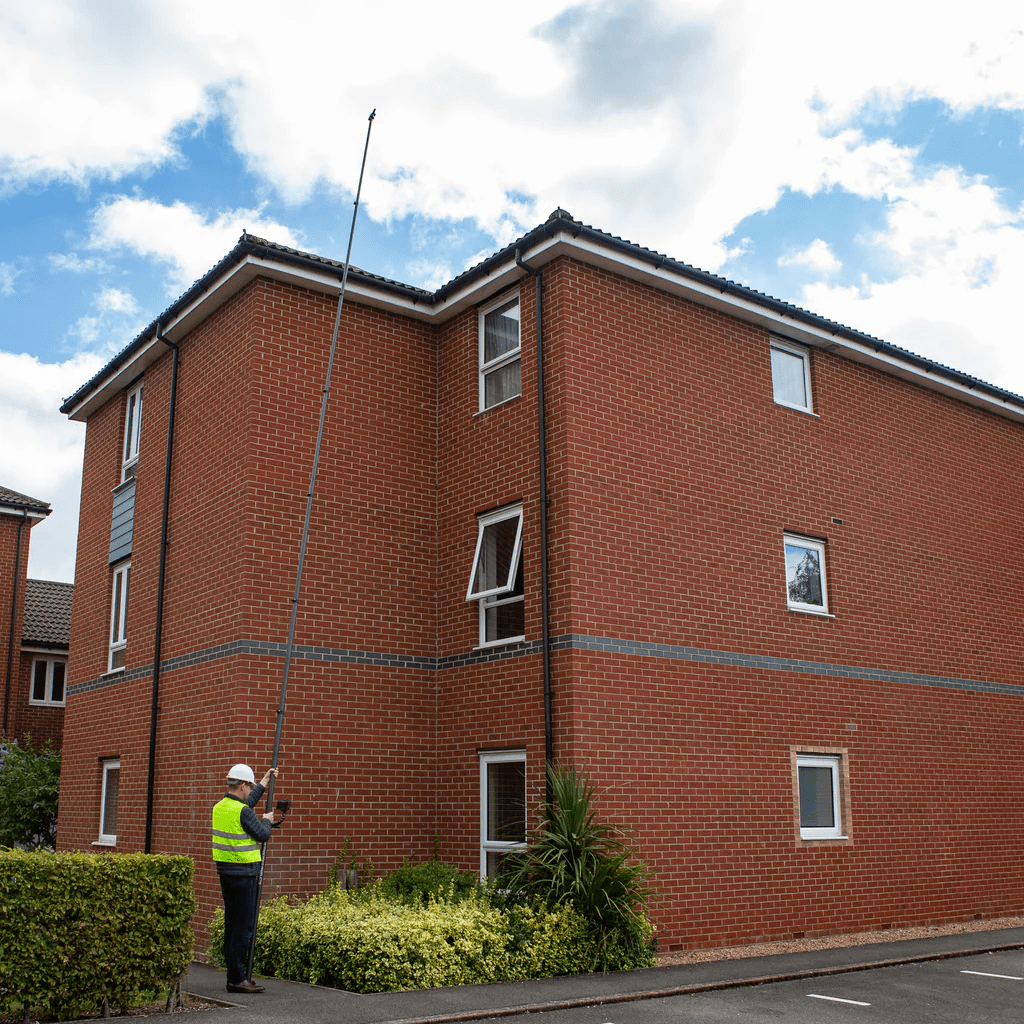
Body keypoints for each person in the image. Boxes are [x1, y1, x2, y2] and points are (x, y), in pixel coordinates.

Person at [211, 763, 278, 994]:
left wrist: (262, 784)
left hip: (226, 874)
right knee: (243, 927)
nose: (249, 791)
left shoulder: (220, 808)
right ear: (241, 785)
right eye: (249, 787)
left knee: (232, 924)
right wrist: (267, 819)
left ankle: (234, 975)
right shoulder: (242, 812)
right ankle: (238, 978)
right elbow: (262, 834)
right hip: (245, 874)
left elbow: (246, 807)